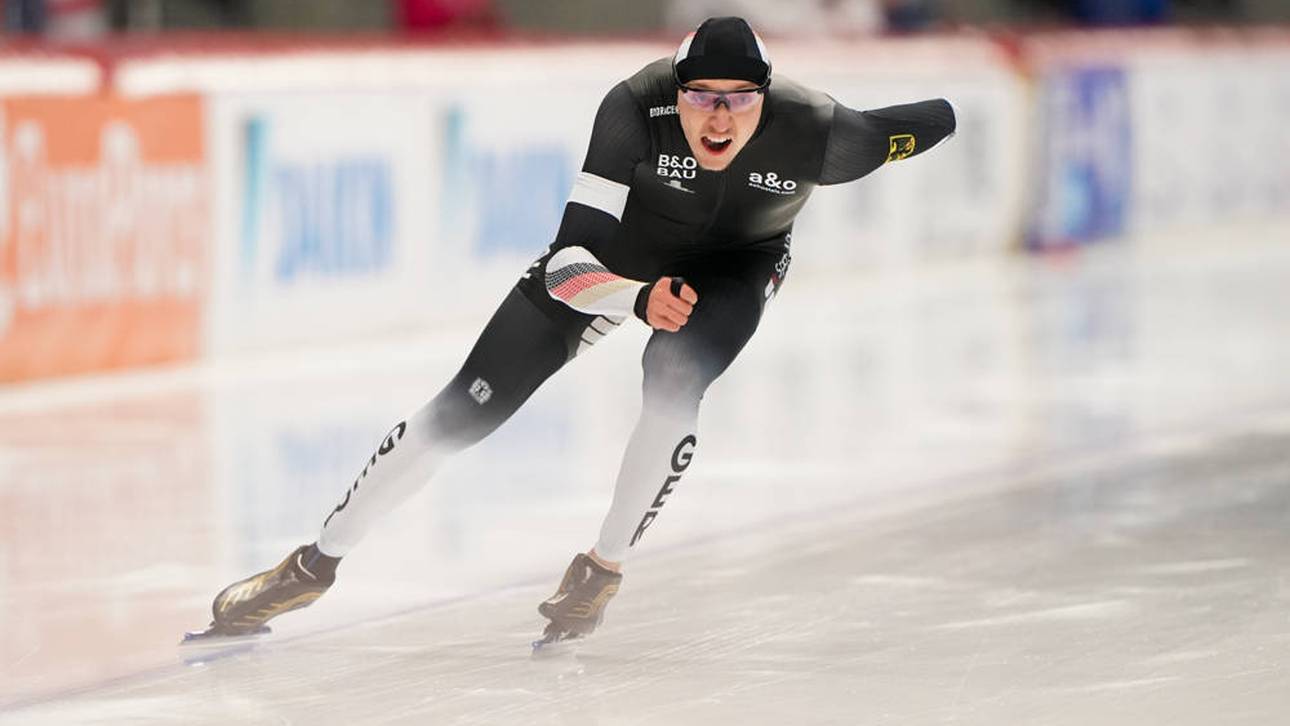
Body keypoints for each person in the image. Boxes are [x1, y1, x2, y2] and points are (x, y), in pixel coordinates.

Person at [188, 16, 956, 646]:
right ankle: (312, 566)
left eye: (738, 100)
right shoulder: (632, 108)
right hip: (617, 263)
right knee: (461, 410)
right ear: (675, 93)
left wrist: (947, 107)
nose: (719, 118)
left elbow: (923, 124)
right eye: (700, 98)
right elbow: (566, 266)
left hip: (736, 267)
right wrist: (635, 294)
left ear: (765, 98)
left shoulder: (820, 133)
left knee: (673, 381)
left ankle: (602, 569)